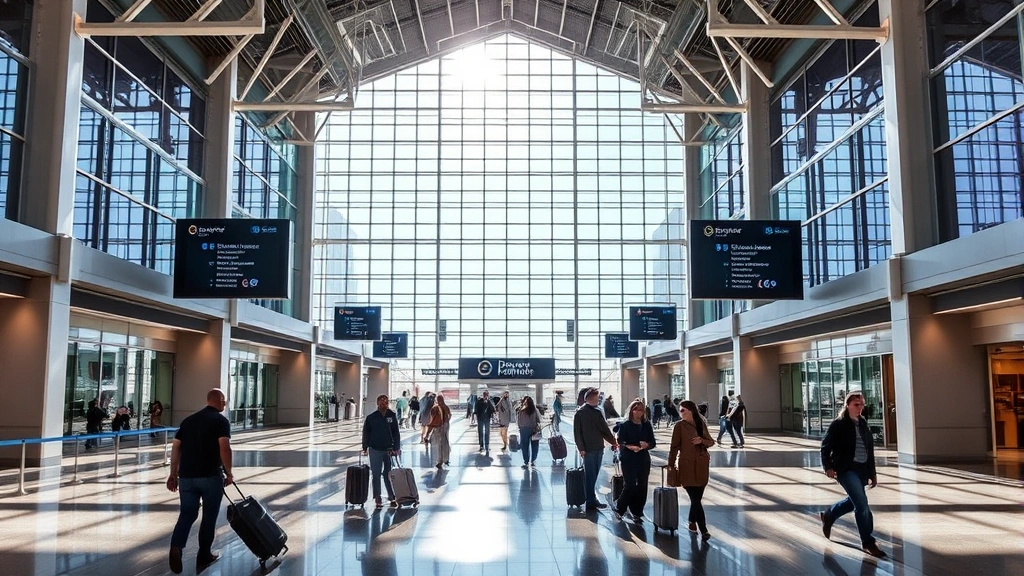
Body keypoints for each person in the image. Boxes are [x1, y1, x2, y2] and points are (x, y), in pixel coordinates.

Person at [166, 388, 232, 574]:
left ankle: (176, 547)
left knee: (187, 513)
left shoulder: (188, 421)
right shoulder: (221, 421)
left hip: (186, 477)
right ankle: (204, 554)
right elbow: (224, 448)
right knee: (209, 516)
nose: (225, 404)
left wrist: (173, 474)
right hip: (210, 476)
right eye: (224, 400)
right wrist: (229, 473)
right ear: (218, 400)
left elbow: (176, 448)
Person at [819, 391, 886, 559]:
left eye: (862, 404)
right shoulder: (839, 424)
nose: (860, 408)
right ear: (847, 405)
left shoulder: (863, 423)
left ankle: (829, 515)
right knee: (862, 503)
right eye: (857, 405)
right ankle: (868, 541)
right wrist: (828, 467)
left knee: (854, 501)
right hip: (845, 469)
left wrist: (873, 473)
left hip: (862, 469)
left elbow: (869, 450)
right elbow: (825, 447)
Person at [668, 400, 715, 540]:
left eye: (683, 410)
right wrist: (670, 465)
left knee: (697, 498)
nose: (680, 412)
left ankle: (691, 520)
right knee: (695, 499)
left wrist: (702, 440)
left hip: (701, 465)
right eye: (680, 410)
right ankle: (704, 530)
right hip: (686, 466)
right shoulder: (679, 426)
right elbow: (674, 446)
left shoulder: (701, 424)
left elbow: (711, 441)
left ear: (691, 411)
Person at [573, 387, 618, 510]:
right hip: (590, 449)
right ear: (590, 398)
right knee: (590, 476)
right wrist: (581, 448)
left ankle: (591, 499)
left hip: (597, 448)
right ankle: (590, 500)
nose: (598, 400)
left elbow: (604, 430)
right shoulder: (580, 413)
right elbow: (578, 433)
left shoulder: (595, 412)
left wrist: (614, 442)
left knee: (593, 475)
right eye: (597, 397)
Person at [615, 399, 656, 521]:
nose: (639, 412)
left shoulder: (646, 425)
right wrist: (629, 446)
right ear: (631, 411)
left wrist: (646, 445)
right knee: (630, 485)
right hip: (629, 457)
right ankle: (620, 508)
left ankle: (637, 512)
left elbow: (653, 442)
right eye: (636, 409)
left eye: (641, 410)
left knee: (642, 485)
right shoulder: (625, 425)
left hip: (643, 457)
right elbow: (620, 441)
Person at [361, 394, 401, 509]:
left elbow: (396, 433)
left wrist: (396, 447)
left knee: (388, 474)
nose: (384, 403)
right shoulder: (371, 417)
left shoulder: (391, 416)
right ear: (377, 403)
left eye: (386, 402)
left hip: (388, 450)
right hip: (375, 449)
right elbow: (366, 433)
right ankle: (377, 497)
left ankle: (391, 495)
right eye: (382, 402)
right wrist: (365, 447)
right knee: (376, 474)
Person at [516, 395, 543, 468]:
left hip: (524, 430)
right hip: (533, 429)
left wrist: (520, 427)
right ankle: (533, 460)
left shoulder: (521, 410)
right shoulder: (535, 410)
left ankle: (526, 461)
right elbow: (539, 420)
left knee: (524, 446)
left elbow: (518, 420)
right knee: (535, 446)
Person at [427, 393, 452, 469]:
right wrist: (446, 422)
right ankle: (445, 458)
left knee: (438, 444)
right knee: (445, 442)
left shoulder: (435, 409)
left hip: (438, 427)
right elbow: (450, 415)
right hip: (446, 426)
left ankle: (439, 460)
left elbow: (433, 421)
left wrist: (427, 434)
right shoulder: (446, 407)